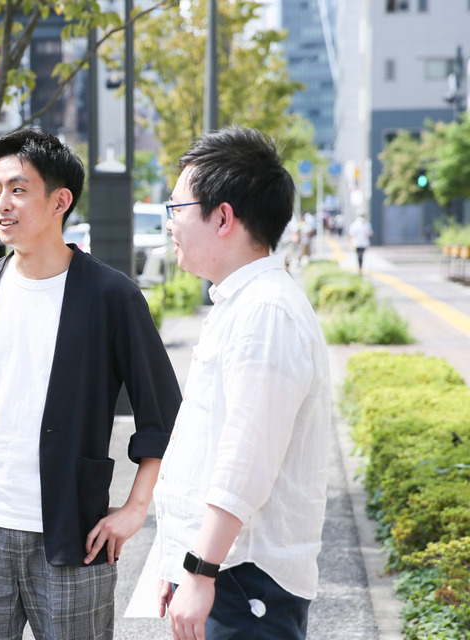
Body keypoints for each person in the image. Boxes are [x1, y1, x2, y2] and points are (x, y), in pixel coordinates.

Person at [0, 127, 182, 639]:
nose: (2, 204)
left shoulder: (111, 296)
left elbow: (165, 415)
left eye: (18, 190)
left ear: (60, 201)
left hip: (72, 534)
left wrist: (135, 510)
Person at [149, 127, 331, 640]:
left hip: (243, 579)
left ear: (223, 217)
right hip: (226, 572)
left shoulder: (266, 311)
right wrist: (179, 559)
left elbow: (245, 460)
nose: (170, 223)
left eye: (177, 207)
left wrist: (199, 570)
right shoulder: (244, 302)